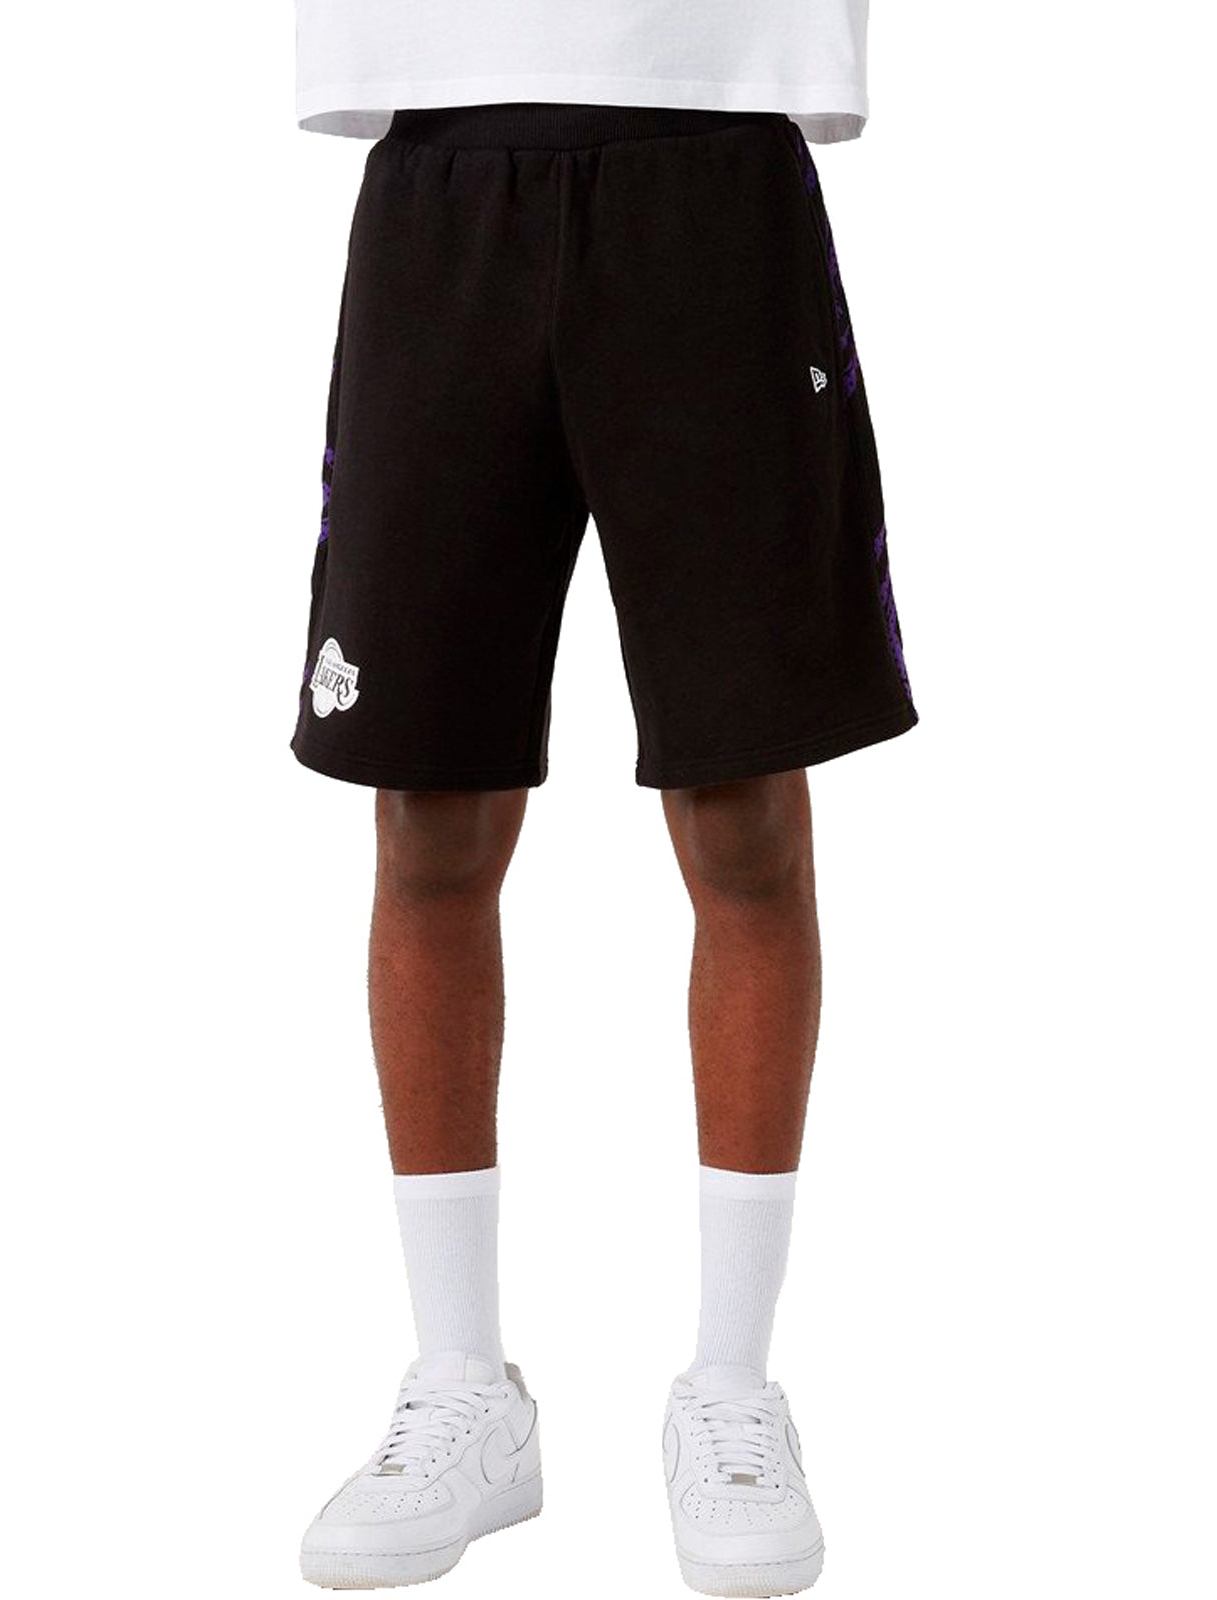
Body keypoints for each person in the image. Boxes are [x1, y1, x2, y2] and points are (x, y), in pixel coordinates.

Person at [288, 4, 917, 1594]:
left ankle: (732, 1386)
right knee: (426, 803)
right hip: (440, 154)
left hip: (717, 148)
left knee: (742, 802)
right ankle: (464, 1387)